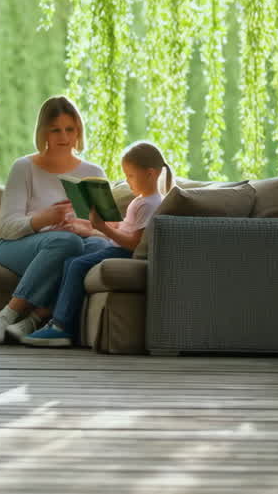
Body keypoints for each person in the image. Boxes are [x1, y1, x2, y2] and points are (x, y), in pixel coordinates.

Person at [0, 96, 115, 344]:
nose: (64, 137)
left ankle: (35, 321)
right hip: (18, 246)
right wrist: (43, 219)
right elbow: (6, 228)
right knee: (67, 243)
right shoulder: (24, 167)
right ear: (44, 133)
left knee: (97, 249)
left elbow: (108, 233)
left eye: (70, 129)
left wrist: (84, 228)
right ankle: (9, 313)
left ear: (79, 131)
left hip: (74, 242)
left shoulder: (93, 173)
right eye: (55, 130)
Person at [22, 141, 173, 347]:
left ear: (151, 174)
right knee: (71, 263)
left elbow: (134, 244)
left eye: (131, 175)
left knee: (75, 265)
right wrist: (91, 226)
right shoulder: (141, 201)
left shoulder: (150, 204)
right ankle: (58, 323)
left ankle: (61, 327)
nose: (128, 181)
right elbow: (124, 230)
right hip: (116, 247)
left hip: (124, 253)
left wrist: (103, 228)